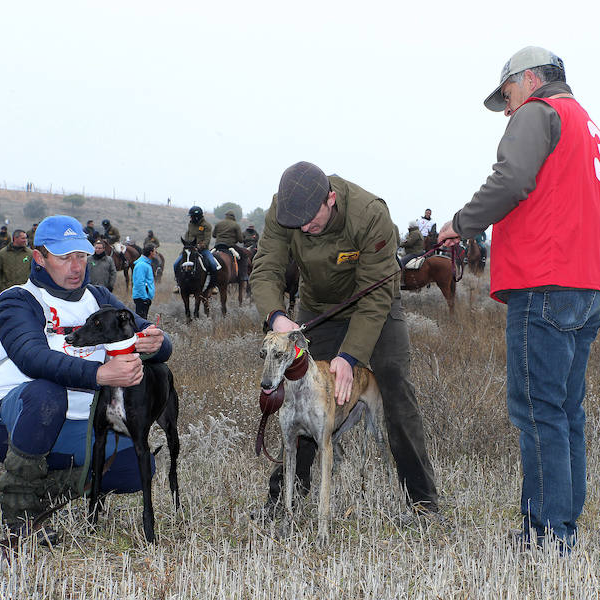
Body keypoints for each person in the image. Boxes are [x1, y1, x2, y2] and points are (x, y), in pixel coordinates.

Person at [438, 46, 600, 550]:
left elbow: (512, 180)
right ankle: (558, 525)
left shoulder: (538, 114)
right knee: (566, 410)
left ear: (527, 80)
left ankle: (547, 536)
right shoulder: (593, 132)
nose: (506, 108)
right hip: (593, 287)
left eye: (506, 95)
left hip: (545, 281)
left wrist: (461, 224)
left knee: (537, 410)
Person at [251, 161, 440, 520]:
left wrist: (350, 357)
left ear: (331, 199)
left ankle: (423, 503)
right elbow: (267, 267)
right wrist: (276, 316)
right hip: (318, 305)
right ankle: (284, 499)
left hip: (375, 304)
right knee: (300, 389)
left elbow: (376, 298)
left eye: (312, 220)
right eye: (298, 224)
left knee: (395, 384)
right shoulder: (283, 210)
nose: (305, 228)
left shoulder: (370, 215)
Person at [0, 215, 172, 533]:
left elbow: (158, 343)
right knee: (46, 392)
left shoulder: (99, 297)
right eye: (64, 258)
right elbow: (33, 359)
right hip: (14, 420)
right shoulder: (18, 300)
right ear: (39, 257)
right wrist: (102, 375)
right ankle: (17, 509)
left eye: (81, 256)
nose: (77, 266)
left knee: (140, 466)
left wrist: (155, 341)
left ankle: (45, 484)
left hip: (78, 425)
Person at [172, 206, 220, 292]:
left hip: (203, 250)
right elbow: (187, 235)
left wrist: (199, 246)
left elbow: (207, 240)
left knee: (213, 264)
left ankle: (213, 286)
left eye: (191, 216)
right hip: (190, 250)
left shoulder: (207, 226)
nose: (190, 218)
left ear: (196, 216)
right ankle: (178, 284)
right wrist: (186, 244)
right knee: (175, 264)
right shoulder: (190, 224)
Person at [213, 210, 249, 282]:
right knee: (244, 255)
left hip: (218, 246)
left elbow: (213, 235)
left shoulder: (218, 224)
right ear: (233, 217)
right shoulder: (235, 225)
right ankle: (243, 275)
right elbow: (240, 239)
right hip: (230, 246)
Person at [131, 244, 156, 318]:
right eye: (155, 251)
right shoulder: (142, 265)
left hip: (145, 297)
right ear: (151, 253)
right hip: (142, 298)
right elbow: (139, 283)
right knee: (141, 320)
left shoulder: (146, 264)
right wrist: (144, 298)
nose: (155, 253)